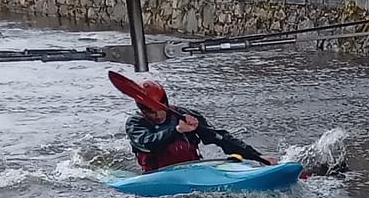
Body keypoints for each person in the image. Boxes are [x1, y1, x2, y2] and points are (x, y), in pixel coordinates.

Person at [111, 73, 267, 173]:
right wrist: (177, 130)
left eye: (159, 109)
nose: (157, 115)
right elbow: (148, 143)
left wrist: (258, 157)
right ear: (141, 110)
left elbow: (221, 138)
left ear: (165, 103)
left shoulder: (187, 116)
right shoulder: (135, 123)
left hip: (193, 170)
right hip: (156, 175)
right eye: (149, 112)